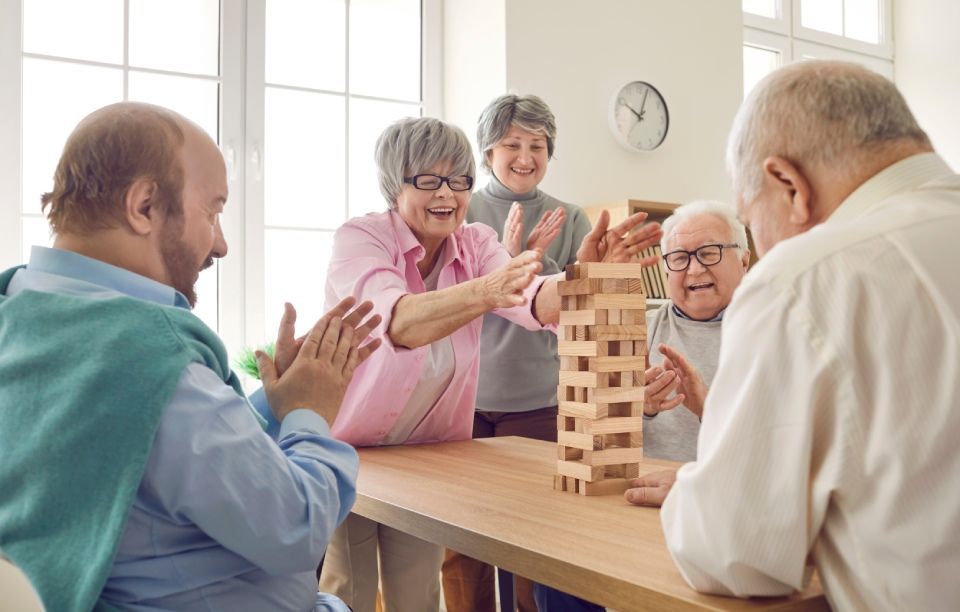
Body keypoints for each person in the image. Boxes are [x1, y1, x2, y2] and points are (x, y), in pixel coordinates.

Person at [0, 102, 381, 612]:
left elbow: (153, 457)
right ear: (144, 207)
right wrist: (312, 413)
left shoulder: (25, 311)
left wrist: (275, 407)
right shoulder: (151, 361)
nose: (220, 244)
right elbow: (298, 528)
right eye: (213, 211)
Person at [628, 61, 960, 610]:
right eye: (680, 258)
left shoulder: (802, 280)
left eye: (748, 220)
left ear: (788, 185)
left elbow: (735, 554)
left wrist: (694, 487)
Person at [318, 116, 662, 612]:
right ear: (396, 185)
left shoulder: (476, 242)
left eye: (459, 181)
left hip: (426, 451)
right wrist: (487, 291)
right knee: (346, 590)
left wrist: (589, 282)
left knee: (417, 594)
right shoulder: (361, 239)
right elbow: (397, 323)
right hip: (347, 447)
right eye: (429, 180)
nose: (448, 194)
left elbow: (530, 297)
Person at [532, 200, 751, 612]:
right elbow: (588, 437)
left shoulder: (772, 330)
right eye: (679, 258)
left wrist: (710, 412)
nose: (695, 269)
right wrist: (638, 408)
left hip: (719, 509)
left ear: (744, 258)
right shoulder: (635, 327)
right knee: (557, 577)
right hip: (632, 504)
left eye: (708, 253)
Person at [441, 93, 593, 612]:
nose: (525, 156)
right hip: (463, 399)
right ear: (487, 152)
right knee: (461, 543)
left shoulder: (571, 218)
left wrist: (537, 263)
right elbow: (451, 302)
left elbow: (579, 319)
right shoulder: (461, 210)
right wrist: (505, 265)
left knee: (535, 544)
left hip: (537, 401)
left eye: (538, 145)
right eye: (512, 144)